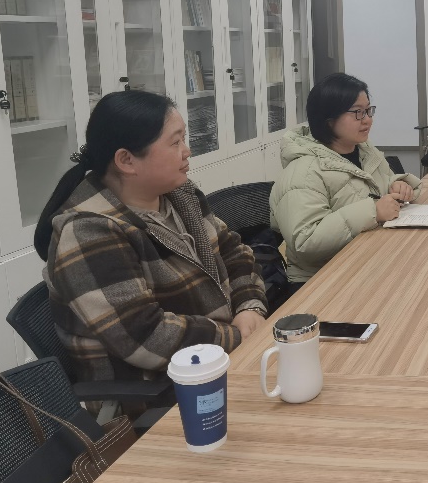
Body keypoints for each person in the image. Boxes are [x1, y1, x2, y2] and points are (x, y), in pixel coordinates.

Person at [36, 91, 268, 389]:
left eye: (184, 139)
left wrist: (249, 306)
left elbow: (234, 252)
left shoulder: (179, 194)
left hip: (221, 360)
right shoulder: (88, 231)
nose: (187, 151)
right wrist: (238, 336)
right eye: (175, 142)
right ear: (126, 160)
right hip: (157, 392)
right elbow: (147, 336)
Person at [270, 72, 421, 286]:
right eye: (358, 112)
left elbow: (376, 185)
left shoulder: (364, 151)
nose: (367, 119)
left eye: (368, 110)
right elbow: (305, 241)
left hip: (367, 262)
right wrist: (373, 212)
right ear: (329, 120)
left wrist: (398, 185)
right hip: (322, 280)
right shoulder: (303, 171)